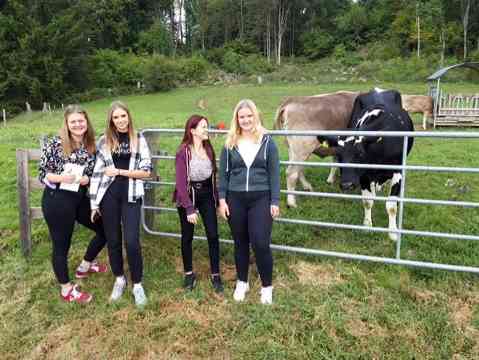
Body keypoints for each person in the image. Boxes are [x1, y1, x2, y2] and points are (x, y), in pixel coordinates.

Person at [39, 105, 108, 304]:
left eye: (81, 121)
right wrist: (63, 178)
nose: (78, 124)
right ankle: (66, 289)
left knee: (105, 228)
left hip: (78, 198)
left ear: (86, 122)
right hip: (57, 199)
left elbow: (94, 171)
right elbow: (43, 174)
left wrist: (86, 179)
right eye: (73, 121)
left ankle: (85, 265)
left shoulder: (91, 145)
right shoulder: (56, 144)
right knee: (62, 244)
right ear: (67, 124)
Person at [89, 101, 152, 307]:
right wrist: (93, 203)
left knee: (132, 241)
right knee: (113, 239)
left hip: (132, 193)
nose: (120, 120)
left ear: (129, 116)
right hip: (109, 195)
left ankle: (137, 284)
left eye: (123, 116)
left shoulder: (139, 138)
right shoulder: (104, 141)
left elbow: (146, 171)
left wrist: (119, 172)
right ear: (111, 120)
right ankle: (119, 279)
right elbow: (98, 173)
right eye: (116, 117)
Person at [218, 99, 280, 304]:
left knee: (261, 242)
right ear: (237, 119)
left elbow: (274, 174)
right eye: (241, 116)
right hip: (235, 198)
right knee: (240, 242)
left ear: (255, 116)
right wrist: (222, 199)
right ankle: (242, 282)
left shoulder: (268, 142)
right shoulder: (229, 143)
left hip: (261, 197)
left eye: (249, 116)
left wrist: (275, 200)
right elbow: (223, 174)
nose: (245, 120)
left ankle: (267, 286)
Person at [173, 115, 223, 293]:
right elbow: (180, 183)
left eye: (207, 126)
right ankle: (188, 274)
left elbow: (213, 177)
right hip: (188, 194)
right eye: (203, 127)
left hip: (206, 194)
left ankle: (216, 274)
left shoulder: (209, 149)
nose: (206, 129)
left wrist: (217, 201)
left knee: (213, 234)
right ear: (192, 130)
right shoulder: (183, 152)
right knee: (187, 236)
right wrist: (188, 208)